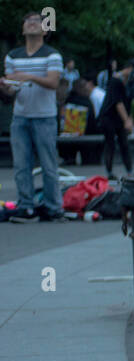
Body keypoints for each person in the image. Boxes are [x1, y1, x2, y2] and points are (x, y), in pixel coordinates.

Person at [2, 11, 65, 222]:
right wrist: (6, 87)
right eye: (27, 21)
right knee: (21, 164)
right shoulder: (13, 56)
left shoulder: (52, 55)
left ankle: (53, 207)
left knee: (48, 164)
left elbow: (53, 83)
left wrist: (27, 76)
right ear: (22, 29)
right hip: (20, 116)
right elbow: (13, 90)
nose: (31, 24)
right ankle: (26, 206)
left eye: (36, 21)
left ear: (45, 30)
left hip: (45, 116)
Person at [99, 60, 134, 178]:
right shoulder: (115, 81)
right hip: (109, 117)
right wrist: (127, 121)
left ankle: (129, 171)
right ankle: (109, 172)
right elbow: (118, 102)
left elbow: (128, 103)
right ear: (129, 68)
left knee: (124, 144)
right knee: (110, 144)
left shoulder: (129, 82)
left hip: (119, 118)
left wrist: (129, 119)